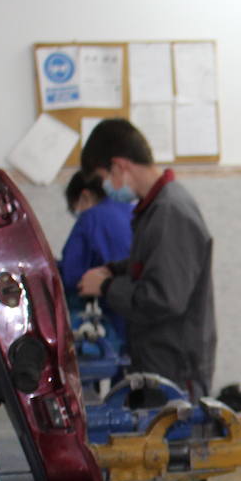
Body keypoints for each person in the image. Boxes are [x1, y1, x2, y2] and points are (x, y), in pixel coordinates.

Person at [77, 119, 216, 397]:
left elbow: (164, 297)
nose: (105, 187)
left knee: (172, 439)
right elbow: (150, 263)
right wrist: (113, 271)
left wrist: (105, 287)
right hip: (159, 357)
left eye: (103, 178)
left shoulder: (171, 211)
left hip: (175, 366)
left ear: (119, 166)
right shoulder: (154, 208)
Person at [59, 168, 133, 347]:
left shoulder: (90, 218)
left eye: (74, 207)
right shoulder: (131, 210)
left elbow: (71, 277)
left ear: (85, 196)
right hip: (143, 307)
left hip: (117, 311)